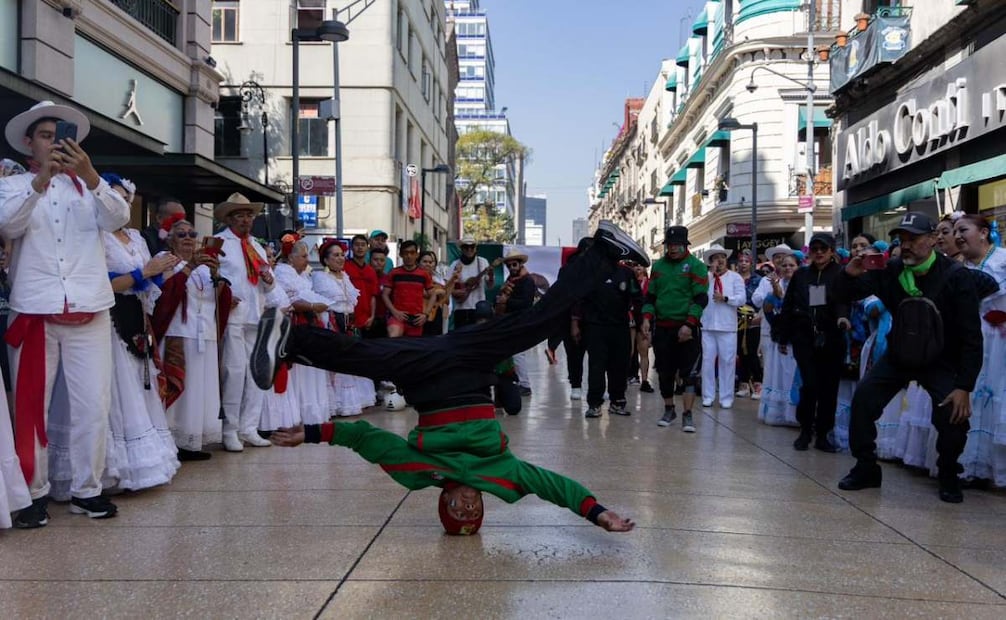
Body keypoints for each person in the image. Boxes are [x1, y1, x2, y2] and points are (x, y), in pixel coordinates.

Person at [253, 220, 647, 535]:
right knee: (536, 323)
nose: (467, 506)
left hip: (429, 377)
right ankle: (605, 250)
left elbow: (366, 439)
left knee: (371, 357)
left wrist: (311, 433)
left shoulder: (418, 474)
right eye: (473, 513)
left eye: (457, 511)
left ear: (443, 505)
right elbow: (551, 485)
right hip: (474, 366)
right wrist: (598, 513)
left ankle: (289, 339)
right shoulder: (503, 478)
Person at [1, 101, 130, 526]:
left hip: (89, 308)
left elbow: (118, 218)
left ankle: (86, 490)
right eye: (44, 135)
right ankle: (33, 492)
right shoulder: (13, 187)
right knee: (31, 407)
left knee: (93, 404)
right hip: (36, 311)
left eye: (59, 134)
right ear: (28, 144)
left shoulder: (88, 188)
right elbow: (9, 226)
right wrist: (40, 181)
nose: (54, 142)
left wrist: (91, 175)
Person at [836, 212, 990, 503]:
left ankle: (948, 474)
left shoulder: (956, 277)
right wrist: (849, 273)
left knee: (953, 417)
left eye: (914, 238)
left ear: (933, 239)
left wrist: (964, 386)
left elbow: (972, 337)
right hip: (900, 355)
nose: (906, 245)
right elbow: (844, 293)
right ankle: (866, 467)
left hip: (941, 360)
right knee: (863, 400)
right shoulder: (891, 270)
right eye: (902, 239)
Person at [214, 193, 287, 452]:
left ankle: (249, 427)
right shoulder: (219, 242)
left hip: (256, 315)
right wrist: (223, 292)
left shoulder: (256, 245)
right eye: (240, 215)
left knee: (256, 374)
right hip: (233, 317)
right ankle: (230, 430)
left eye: (249, 214)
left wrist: (270, 282)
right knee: (234, 373)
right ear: (229, 218)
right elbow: (210, 275)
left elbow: (268, 285)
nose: (246, 219)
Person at [153, 217, 229, 461]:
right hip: (178, 332)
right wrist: (189, 267)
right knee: (180, 387)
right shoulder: (163, 261)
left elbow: (220, 299)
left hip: (203, 334)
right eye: (181, 234)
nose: (188, 238)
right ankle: (171, 439)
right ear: (169, 238)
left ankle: (191, 439)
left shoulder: (206, 267)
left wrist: (218, 279)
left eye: (192, 234)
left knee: (200, 389)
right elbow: (162, 295)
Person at [776, 232, 848, 452]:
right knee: (809, 385)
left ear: (831, 252)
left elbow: (845, 300)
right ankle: (805, 429)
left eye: (823, 249)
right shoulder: (801, 275)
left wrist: (842, 318)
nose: (818, 253)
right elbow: (788, 304)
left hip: (831, 337)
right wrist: (783, 335)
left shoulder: (841, 274)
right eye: (815, 249)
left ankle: (824, 433)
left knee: (829, 388)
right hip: (804, 337)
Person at [953, 214, 1006, 487]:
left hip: (1001, 340)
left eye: (964, 230)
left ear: (984, 232)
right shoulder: (957, 267)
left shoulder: (1003, 260)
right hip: (971, 341)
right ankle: (968, 466)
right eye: (955, 232)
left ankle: (995, 469)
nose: (958, 236)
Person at [641, 226, 708, 433]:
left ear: (685, 245)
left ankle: (687, 414)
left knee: (689, 374)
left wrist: (689, 324)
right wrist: (646, 317)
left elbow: (700, 298)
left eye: (677, 245)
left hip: (686, 328)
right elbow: (650, 297)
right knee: (664, 372)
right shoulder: (659, 266)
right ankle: (669, 409)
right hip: (662, 328)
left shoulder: (696, 266)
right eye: (669, 245)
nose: (672, 249)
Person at [272, 235, 333, 427]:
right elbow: (290, 300)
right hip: (296, 323)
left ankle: (313, 412)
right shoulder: (283, 273)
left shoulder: (303, 275)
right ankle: (300, 411)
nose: (307, 260)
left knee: (312, 367)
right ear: (291, 258)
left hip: (309, 321)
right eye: (304, 256)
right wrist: (314, 306)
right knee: (300, 368)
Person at [312, 239, 376, 417]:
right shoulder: (320, 277)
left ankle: (352, 402)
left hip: (349, 323)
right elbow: (325, 304)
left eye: (342, 255)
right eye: (335, 255)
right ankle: (335, 404)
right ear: (325, 260)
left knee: (350, 361)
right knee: (335, 363)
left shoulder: (345, 277)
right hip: (332, 322)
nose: (340, 258)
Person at [578, 255, 640, 418]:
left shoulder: (626, 273)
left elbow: (638, 297)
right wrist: (576, 322)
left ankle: (617, 402)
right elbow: (579, 299)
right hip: (595, 327)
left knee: (619, 366)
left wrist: (642, 322)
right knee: (596, 366)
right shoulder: (590, 272)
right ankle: (594, 404)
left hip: (620, 327)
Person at [754, 253, 800, 427]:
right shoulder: (775, 285)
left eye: (791, 265)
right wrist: (774, 295)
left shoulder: (803, 286)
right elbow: (766, 309)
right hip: (779, 338)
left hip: (797, 338)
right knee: (778, 374)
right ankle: (778, 413)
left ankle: (795, 414)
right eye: (784, 265)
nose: (787, 268)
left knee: (793, 375)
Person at [697, 245, 745, 410]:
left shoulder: (735, 277)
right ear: (711, 262)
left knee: (727, 362)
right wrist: (709, 274)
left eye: (722, 257)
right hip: (708, 326)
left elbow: (741, 299)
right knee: (708, 362)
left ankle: (726, 397)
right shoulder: (706, 278)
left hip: (727, 327)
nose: (720, 260)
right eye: (716, 258)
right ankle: (708, 396)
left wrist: (725, 298)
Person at [495, 250, 537, 397]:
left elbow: (526, 303)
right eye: (509, 265)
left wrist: (506, 302)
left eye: (514, 264)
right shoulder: (510, 281)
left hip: (521, 320)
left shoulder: (527, 281)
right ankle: (518, 382)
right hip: (511, 320)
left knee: (519, 353)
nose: (512, 267)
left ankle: (525, 385)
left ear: (520, 264)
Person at [383, 240, 433, 338]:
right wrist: (394, 312)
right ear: (401, 254)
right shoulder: (394, 273)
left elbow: (433, 295)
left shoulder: (424, 274)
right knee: (394, 337)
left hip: (416, 319)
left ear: (417, 255)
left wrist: (426, 314)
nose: (409, 256)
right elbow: (385, 294)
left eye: (412, 253)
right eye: (406, 253)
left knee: (412, 350)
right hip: (398, 317)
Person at [734, 250, 763, 400]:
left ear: (751, 264)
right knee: (741, 351)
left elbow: (761, 299)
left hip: (753, 320)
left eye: (746, 261)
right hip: (736, 320)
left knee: (752, 352)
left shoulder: (758, 280)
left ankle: (758, 383)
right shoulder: (734, 278)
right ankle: (744, 383)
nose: (743, 264)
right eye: (741, 261)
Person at [449, 237, 496, 329]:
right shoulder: (455, 264)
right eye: (466, 247)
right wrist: (454, 292)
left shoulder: (483, 262)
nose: (469, 249)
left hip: (479, 309)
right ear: (461, 249)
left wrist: (491, 275)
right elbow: (447, 286)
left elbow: (490, 286)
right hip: (461, 309)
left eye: (472, 247)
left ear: (475, 248)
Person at [345, 234, 379, 337]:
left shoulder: (371, 271)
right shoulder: (344, 267)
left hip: (366, 319)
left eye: (363, 245)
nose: (360, 247)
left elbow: (373, 295)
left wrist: (372, 316)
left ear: (367, 248)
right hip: (349, 318)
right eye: (357, 245)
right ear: (351, 247)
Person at [627, 262, 654, 393]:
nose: (638, 268)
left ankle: (644, 381)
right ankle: (626, 377)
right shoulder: (628, 281)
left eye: (640, 265)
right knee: (629, 350)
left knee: (644, 350)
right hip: (630, 318)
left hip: (645, 319)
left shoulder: (650, 283)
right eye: (635, 265)